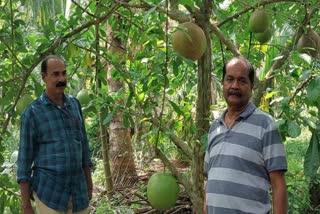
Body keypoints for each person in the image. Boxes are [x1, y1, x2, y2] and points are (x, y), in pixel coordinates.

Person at [204, 56, 288, 214]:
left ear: (251, 86)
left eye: (242, 81)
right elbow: (210, 182)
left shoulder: (266, 125)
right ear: (223, 83)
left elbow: (278, 185)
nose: (234, 86)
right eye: (229, 79)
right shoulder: (215, 128)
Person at [17, 55, 93, 214]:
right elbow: (24, 163)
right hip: (50, 195)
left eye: (64, 73)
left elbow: (84, 146)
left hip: (78, 193)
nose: (62, 78)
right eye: (56, 74)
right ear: (44, 77)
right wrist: (26, 206)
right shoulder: (32, 114)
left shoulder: (74, 105)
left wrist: (89, 182)